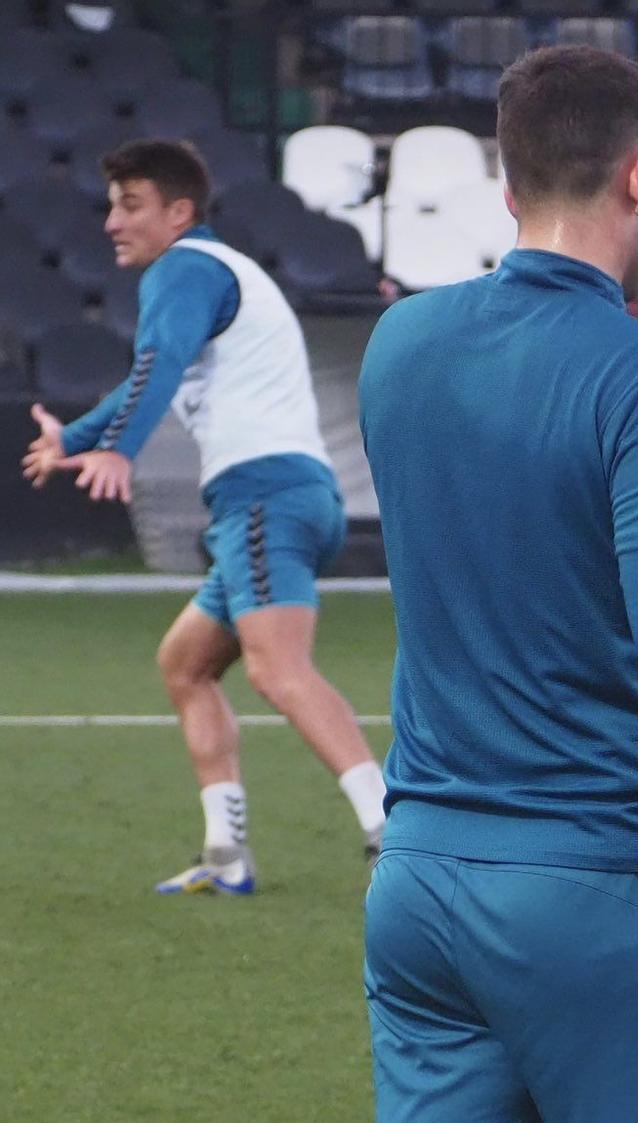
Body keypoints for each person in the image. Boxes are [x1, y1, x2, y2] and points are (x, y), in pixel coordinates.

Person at [357, 46, 638, 1121]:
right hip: (609, 891)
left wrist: (624, 341)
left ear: (506, 185)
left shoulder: (400, 341)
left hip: (419, 887)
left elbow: (513, 454)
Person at [19, 138, 384, 896]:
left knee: (277, 669)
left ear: (179, 212)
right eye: (112, 204)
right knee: (185, 664)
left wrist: (118, 449)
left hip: (264, 497)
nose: (112, 222)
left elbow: (152, 365)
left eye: (131, 205)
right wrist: (73, 440)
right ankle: (226, 857)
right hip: (286, 495)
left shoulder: (184, 269)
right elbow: (146, 381)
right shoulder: (220, 272)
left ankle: (395, 833)